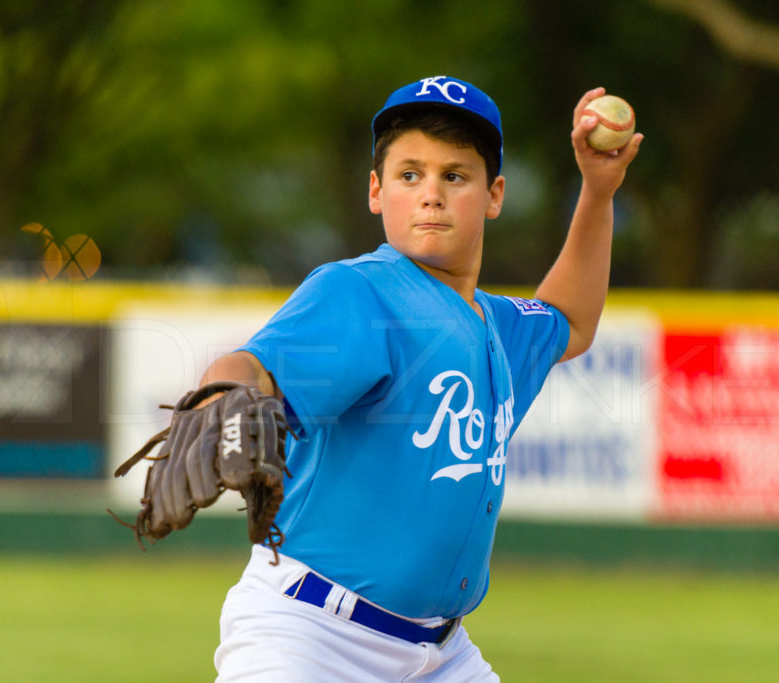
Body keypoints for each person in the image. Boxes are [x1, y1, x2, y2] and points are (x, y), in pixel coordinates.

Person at [206, 75, 642, 681]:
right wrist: (225, 397)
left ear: (494, 195)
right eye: (410, 174)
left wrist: (598, 192)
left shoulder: (498, 324)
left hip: (441, 656)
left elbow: (570, 318)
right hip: (311, 637)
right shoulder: (360, 290)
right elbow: (250, 366)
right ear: (376, 191)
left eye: (453, 176)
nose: (430, 194)